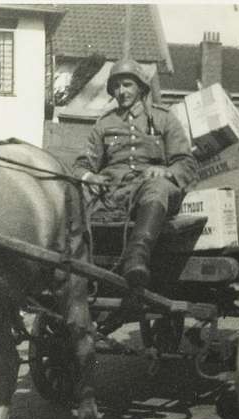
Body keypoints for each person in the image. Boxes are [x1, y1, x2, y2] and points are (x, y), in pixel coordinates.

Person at [73, 59, 198, 288]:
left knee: (157, 187)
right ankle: (75, 266)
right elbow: (82, 165)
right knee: (72, 196)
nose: (122, 92)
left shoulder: (164, 118)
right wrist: (91, 178)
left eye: (128, 85)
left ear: (140, 87)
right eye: (117, 87)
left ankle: (136, 259)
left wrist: (165, 172)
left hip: (150, 190)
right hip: (112, 193)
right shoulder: (104, 124)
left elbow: (186, 164)